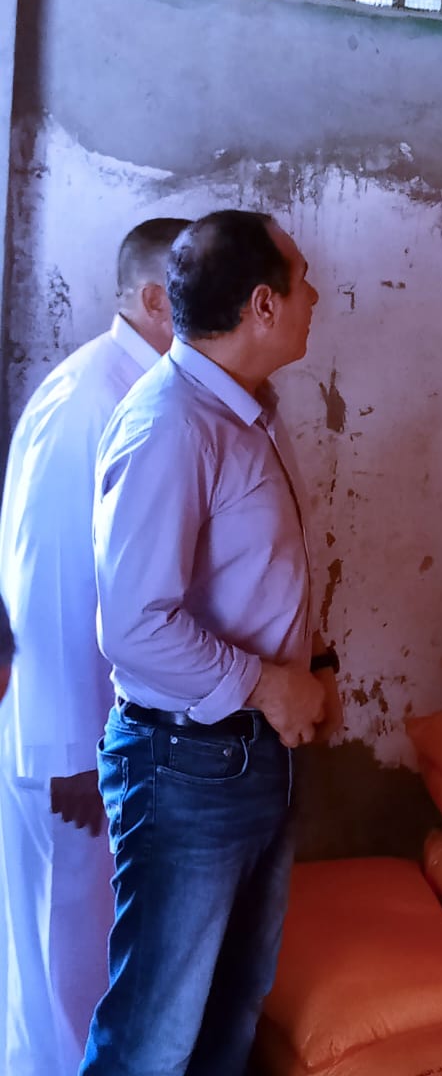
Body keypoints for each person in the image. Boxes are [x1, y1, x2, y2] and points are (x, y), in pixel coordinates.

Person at [80, 209, 341, 1076]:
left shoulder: (245, 411)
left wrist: (312, 669)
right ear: (263, 305)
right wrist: (268, 684)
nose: (316, 297)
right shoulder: (171, 424)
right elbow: (135, 627)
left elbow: (257, 574)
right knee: (151, 1042)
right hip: (186, 767)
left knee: (228, 1021)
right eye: (303, 281)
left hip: (251, 755)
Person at [0, 217, 190, 1076]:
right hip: (69, 760)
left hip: (110, 751)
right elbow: (47, 592)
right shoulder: (87, 402)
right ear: (156, 301)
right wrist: (71, 758)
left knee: (96, 977)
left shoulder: (144, 391)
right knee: (64, 979)